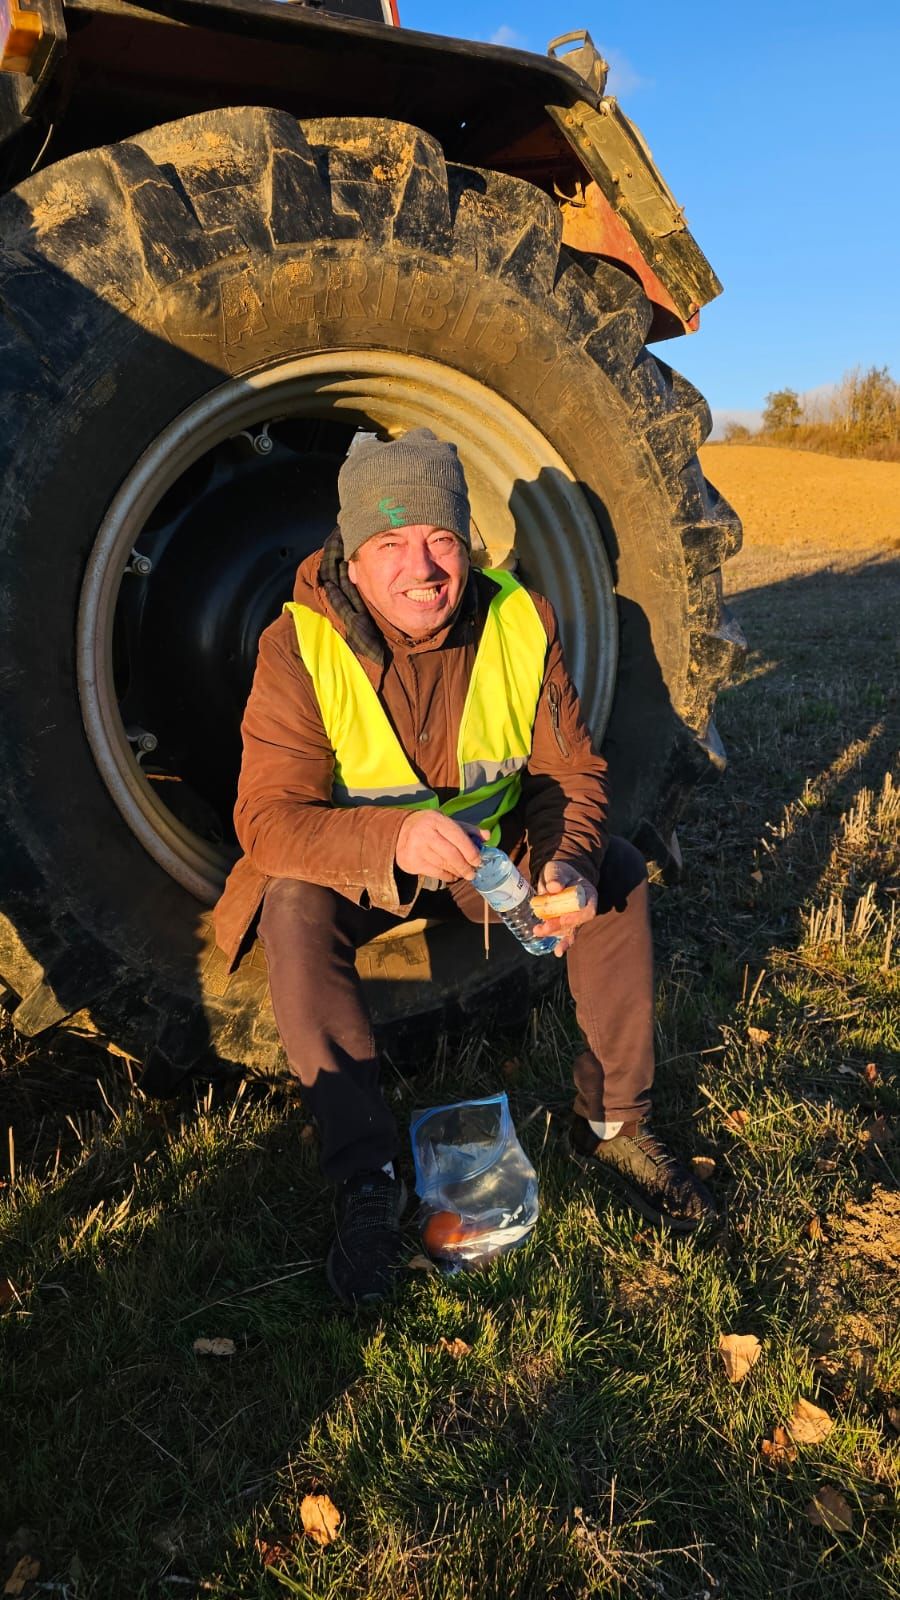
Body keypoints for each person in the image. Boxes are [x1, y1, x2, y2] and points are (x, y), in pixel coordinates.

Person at [215, 428, 716, 1305]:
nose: (422, 566)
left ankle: (612, 1125)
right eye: (392, 542)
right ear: (352, 556)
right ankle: (368, 1175)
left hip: (493, 868)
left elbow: (569, 772)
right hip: (365, 875)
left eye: (441, 539)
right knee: (292, 903)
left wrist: (568, 862)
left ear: (467, 544)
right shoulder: (298, 646)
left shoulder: (521, 620)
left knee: (621, 872)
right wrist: (391, 841)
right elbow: (266, 818)